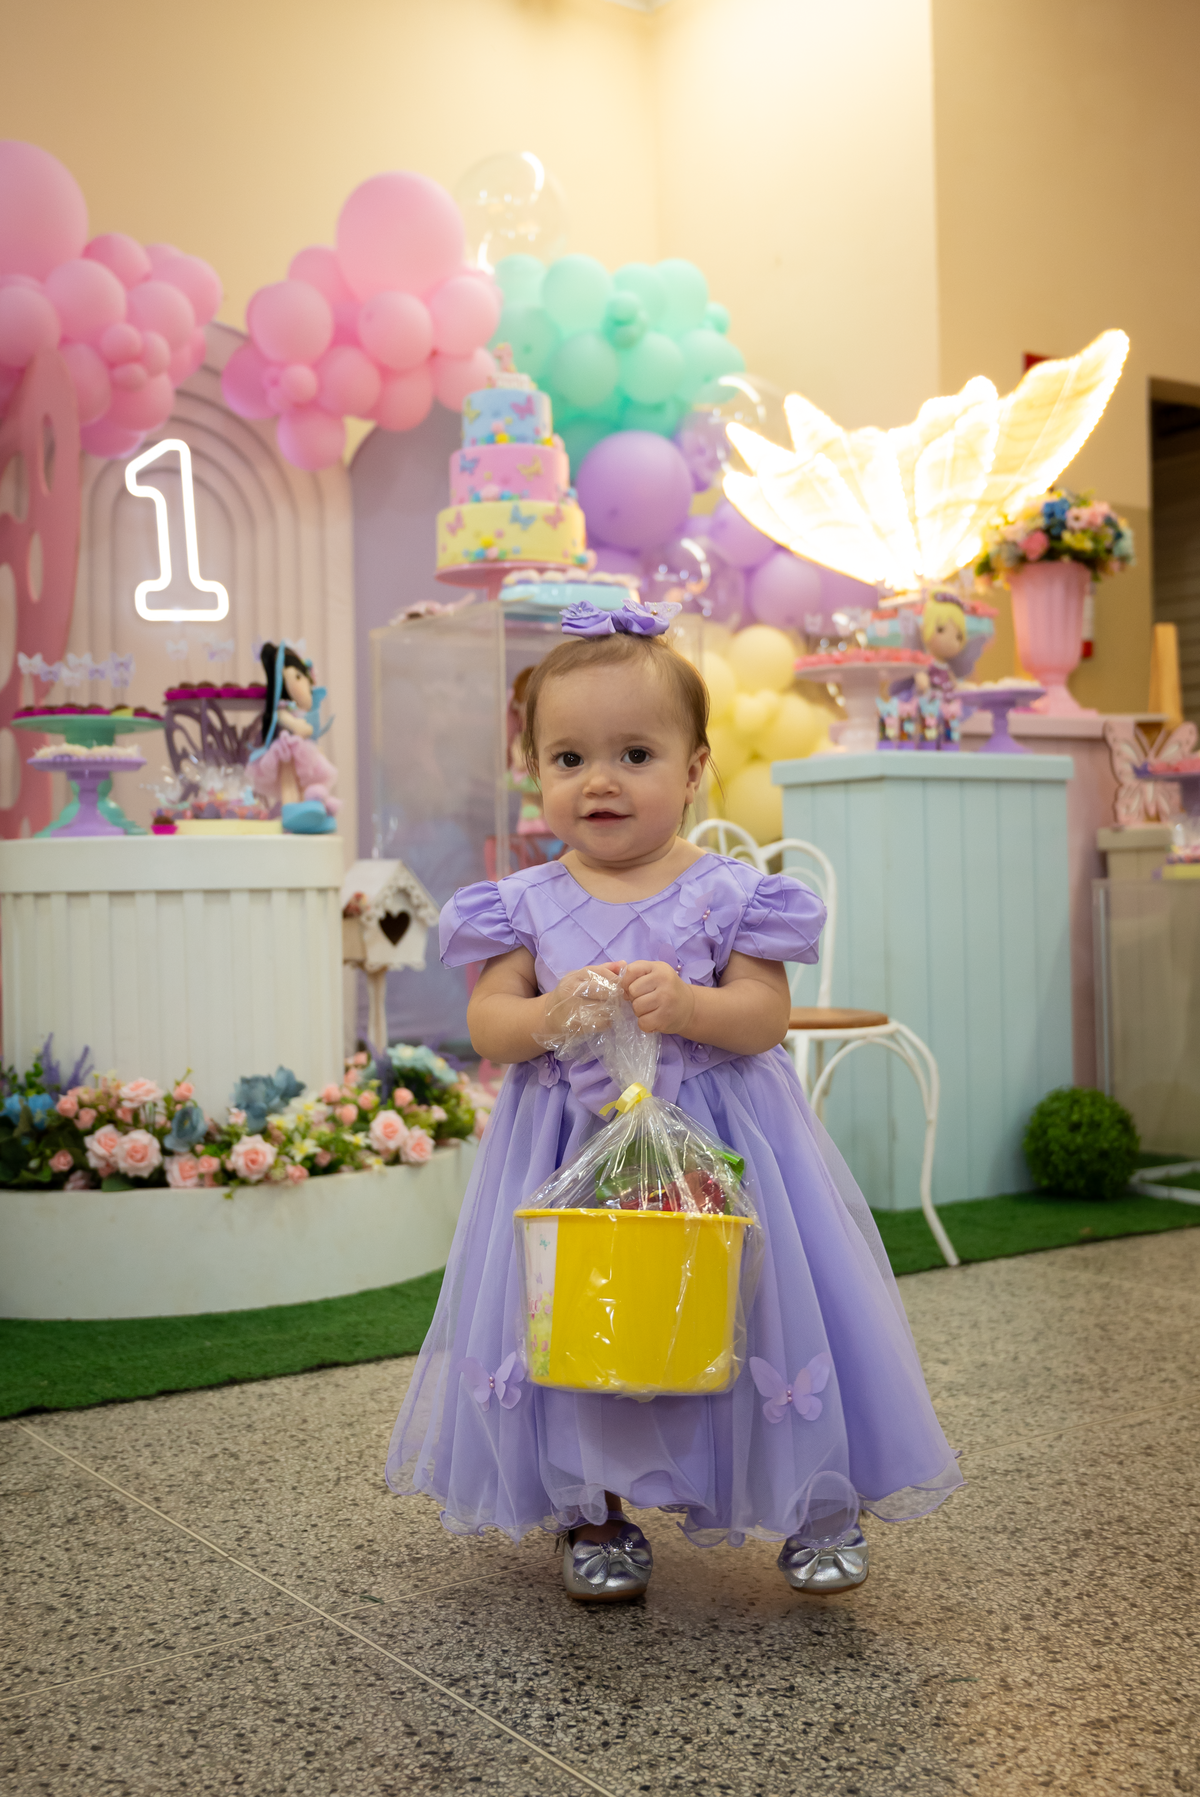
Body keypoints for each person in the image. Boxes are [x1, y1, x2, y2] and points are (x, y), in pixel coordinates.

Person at [386, 598, 961, 1602]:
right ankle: (594, 1511)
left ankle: (816, 1498)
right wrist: (550, 1012)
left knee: (764, 1311)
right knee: (587, 1318)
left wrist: (693, 1005)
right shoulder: (521, 903)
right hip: (569, 1158)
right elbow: (489, 1024)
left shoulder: (732, 892)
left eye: (635, 755)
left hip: (726, 1150)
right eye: (569, 758)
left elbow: (765, 1016)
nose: (600, 780)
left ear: (695, 769)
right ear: (531, 769)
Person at [249, 641, 339, 834]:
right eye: (297, 677)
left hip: (304, 747)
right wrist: (298, 726)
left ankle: (310, 811)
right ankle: (290, 809)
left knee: (306, 779)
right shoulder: (283, 709)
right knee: (288, 778)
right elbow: (293, 723)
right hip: (286, 747)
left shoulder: (302, 710)